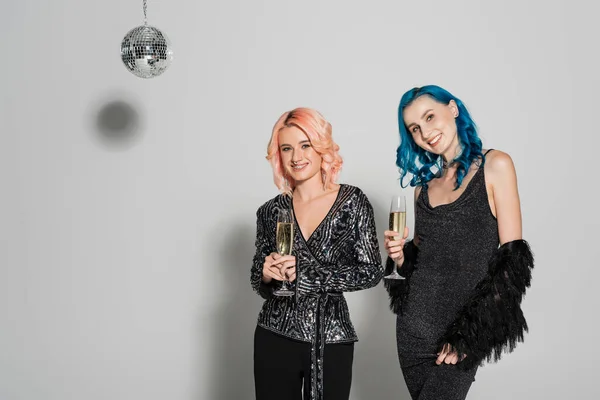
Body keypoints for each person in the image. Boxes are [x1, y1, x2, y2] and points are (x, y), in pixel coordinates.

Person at [383, 85, 534, 400]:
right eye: (415, 128)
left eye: (429, 116)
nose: (426, 132)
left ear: (452, 108)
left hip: (458, 335)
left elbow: (512, 266)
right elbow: (421, 265)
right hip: (412, 333)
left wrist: (469, 338)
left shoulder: (496, 166)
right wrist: (399, 258)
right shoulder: (421, 190)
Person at [251, 107, 384, 400]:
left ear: (321, 146)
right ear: (279, 155)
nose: (296, 157)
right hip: (273, 335)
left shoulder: (352, 202)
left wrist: (307, 274)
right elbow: (257, 280)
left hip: (330, 338)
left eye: (304, 145)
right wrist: (265, 272)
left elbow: (371, 271)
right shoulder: (270, 210)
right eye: (287, 148)